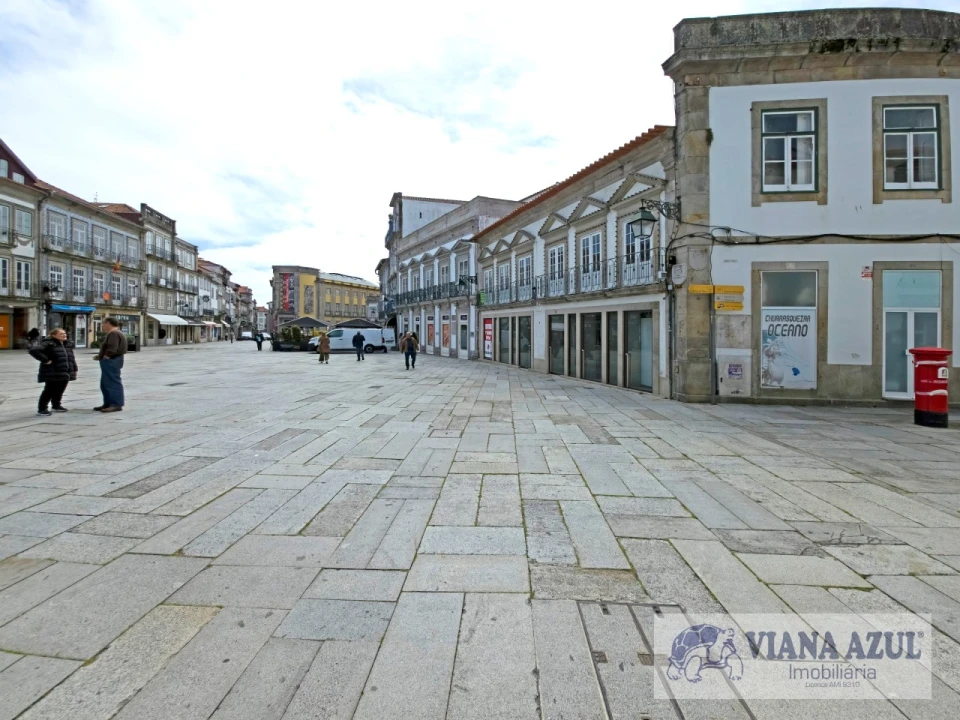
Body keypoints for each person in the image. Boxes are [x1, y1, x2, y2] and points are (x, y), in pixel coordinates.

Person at [29, 328, 77, 416]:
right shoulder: (49, 343)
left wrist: (74, 369)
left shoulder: (67, 344)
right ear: (54, 335)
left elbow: (71, 358)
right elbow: (34, 350)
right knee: (49, 390)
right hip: (52, 371)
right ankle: (42, 408)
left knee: (60, 389)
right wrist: (45, 360)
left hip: (64, 371)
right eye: (61, 334)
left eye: (65, 333)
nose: (64, 335)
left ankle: (56, 405)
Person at [94, 317, 127, 413]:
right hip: (114, 359)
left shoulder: (114, 333)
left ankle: (116, 404)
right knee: (105, 383)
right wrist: (100, 356)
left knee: (112, 382)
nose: (103, 325)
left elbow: (113, 348)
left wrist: (106, 356)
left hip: (112, 360)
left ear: (108, 323)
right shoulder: (116, 333)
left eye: (103, 323)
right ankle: (108, 402)